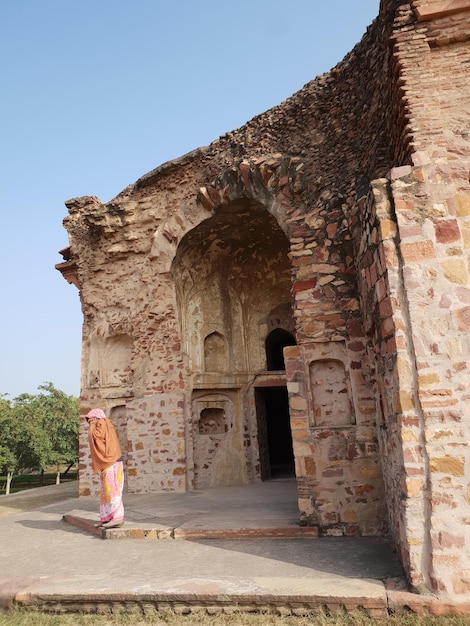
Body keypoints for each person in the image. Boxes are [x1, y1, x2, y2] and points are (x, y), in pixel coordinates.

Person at [85, 408, 125, 529]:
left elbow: (95, 436)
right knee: (106, 492)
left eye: (91, 420)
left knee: (111, 490)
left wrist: (92, 425)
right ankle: (108, 518)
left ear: (96, 418)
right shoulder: (102, 423)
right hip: (109, 462)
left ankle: (117, 518)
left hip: (111, 462)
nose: (90, 423)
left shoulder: (102, 423)